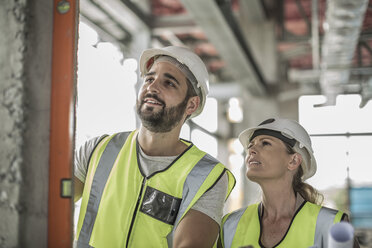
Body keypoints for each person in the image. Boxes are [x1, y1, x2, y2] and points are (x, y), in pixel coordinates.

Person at [73, 46, 236, 248]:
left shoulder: (206, 177)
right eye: (149, 79)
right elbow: (45, 202)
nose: (152, 87)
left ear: (191, 105)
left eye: (169, 83)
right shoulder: (97, 150)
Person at [219, 118, 360, 248]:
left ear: (293, 161)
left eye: (265, 143)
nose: (251, 150)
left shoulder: (332, 225)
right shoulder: (230, 225)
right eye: (251, 145)